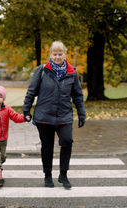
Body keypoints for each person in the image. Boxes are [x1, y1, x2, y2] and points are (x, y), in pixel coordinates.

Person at [23, 40, 86, 189]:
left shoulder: (72, 73)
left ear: (65, 54)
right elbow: (31, 91)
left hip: (64, 115)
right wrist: (26, 110)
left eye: (60, 54)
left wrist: (81, 113)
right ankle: (48, 176)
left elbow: (77, 95)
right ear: (50, 54)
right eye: (54, 54)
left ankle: (63, 174)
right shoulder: (42, 70)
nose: (57, 57)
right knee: (47, 147)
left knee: (67, 141)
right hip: (44, 116)